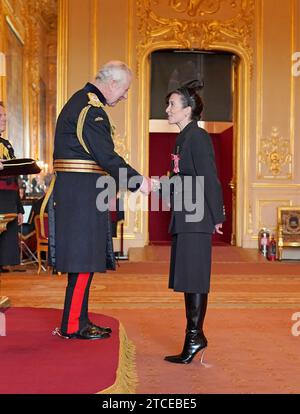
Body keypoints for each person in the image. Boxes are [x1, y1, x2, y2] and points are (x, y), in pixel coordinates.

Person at [51, 61, 154, 340]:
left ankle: (80, 321)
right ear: (112, 84)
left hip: (81, 193)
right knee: (83, 261)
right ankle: (73, 325)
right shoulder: (91, 109)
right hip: (82, 195)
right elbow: (106, 156)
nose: (124, 96)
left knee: (85, 260)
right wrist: (138, 181)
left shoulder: (82, 102)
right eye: (124, 90)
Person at [164, 80, 225, 364]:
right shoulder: (183, 137)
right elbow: (182, 177)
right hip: (187, 215)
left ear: (188, 110)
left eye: (172, 105)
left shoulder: (197, 138)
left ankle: (194, 336)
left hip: (197, 216)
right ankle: (194, 335)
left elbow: (209, 178)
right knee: (189, 277)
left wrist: (217, 216)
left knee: (195, 277)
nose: (167, 109)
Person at [0, 101, 24, 273]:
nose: (4, 119)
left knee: (5, 251)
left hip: (9, 201)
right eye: (0, 116)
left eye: (5, 115)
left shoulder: (7, 145)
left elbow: (14, 179)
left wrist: (19, 208)